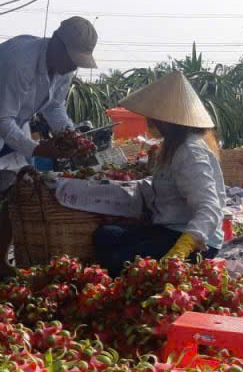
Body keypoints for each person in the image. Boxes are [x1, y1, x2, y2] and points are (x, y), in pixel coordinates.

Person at [0, 16, 99, 275]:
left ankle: (0, 262)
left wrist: (71, 137)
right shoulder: (20, 60)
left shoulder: (65, 69)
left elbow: (55, 107)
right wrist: (36, 149)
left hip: (13, 122)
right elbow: (0, 119)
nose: (72, 67)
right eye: (71, 58)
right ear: (56, 42)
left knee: (18, 191)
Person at [92, 71, 226, 276]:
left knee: (120, 262)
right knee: (106, 236)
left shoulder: (190, 151)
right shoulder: (174, 145)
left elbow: (209, 207)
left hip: (193, 239)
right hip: (169, 228)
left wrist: (182, 249)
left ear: (168, 120)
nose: (149, 121)